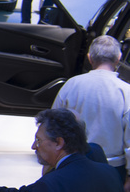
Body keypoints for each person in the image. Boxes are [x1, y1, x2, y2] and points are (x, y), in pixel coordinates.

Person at [54, 36, 130, 182]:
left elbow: (53, 127)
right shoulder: (126, 92)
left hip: (73, 165)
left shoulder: (71, 85)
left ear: (90, 58)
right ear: (118, 58)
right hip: (112, 170)